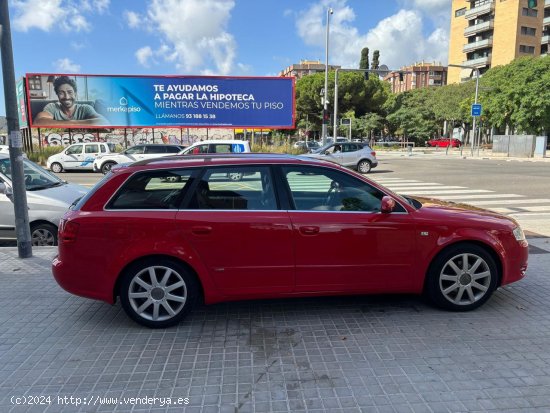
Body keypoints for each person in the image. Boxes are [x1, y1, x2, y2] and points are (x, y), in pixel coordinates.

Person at [33, 76, 108, 126]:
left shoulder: (85, 108)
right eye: (61, 93)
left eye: (70, 92)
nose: (66, 97)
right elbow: (37, 122)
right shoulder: (52, 107)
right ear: (57, 95)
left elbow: (104, 122)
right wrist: (74, 123)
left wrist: (71, 123)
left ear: (75, 94)